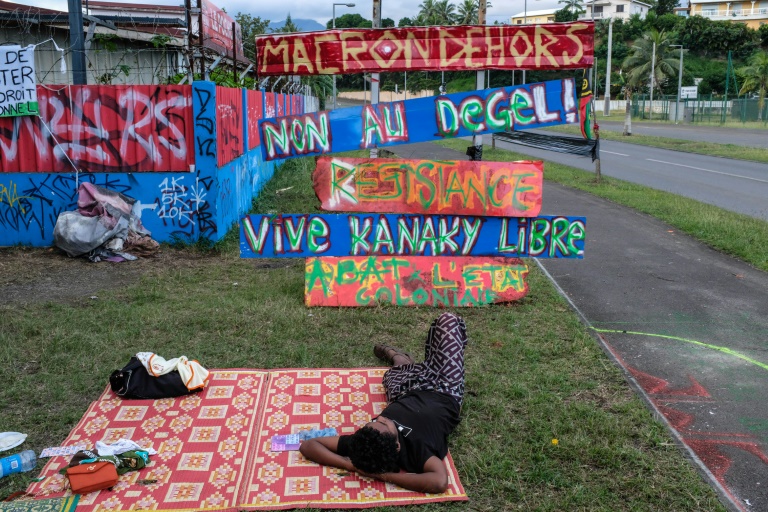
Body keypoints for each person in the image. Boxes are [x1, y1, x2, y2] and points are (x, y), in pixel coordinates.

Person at [299, 312, 468, 494]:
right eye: (383, 424)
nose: (381, 418)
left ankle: (399, 358)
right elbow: (439, 482)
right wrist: (384, 476)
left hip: (404, 392)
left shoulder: (364, 442)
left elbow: (308, 445)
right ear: (396, 445)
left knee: (392, 376)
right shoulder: (417, 451)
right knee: (448, 321)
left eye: (375, 421)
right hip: (444, 390)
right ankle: (418, 365)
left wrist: (352, 466)